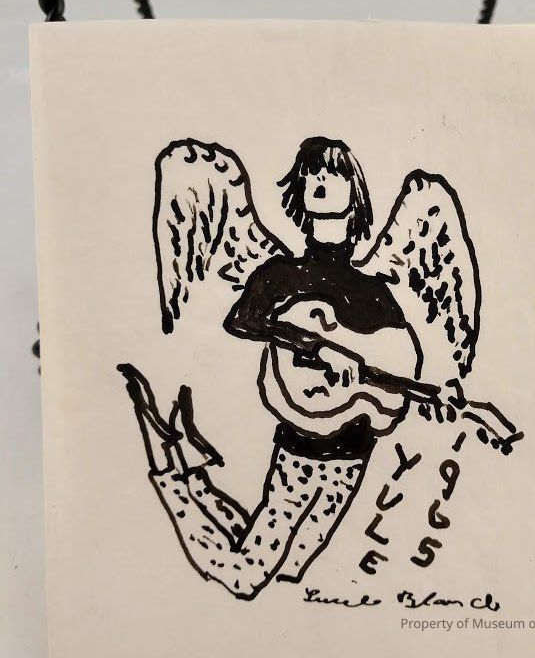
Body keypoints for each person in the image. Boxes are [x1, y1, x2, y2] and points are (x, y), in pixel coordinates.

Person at [120, 137, 416, 600]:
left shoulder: (373, 292)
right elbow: (242, 320)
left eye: (333, 173)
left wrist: (404, 394)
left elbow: (402, 367)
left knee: (287, 572)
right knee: (247, 577)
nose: (320, 181)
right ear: (300, 193)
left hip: (353, 454)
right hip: (300, 446)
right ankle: (172, 477)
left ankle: (188, 475)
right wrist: (309, 343)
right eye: (311, 174)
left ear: (354, 192)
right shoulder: (282, 275)